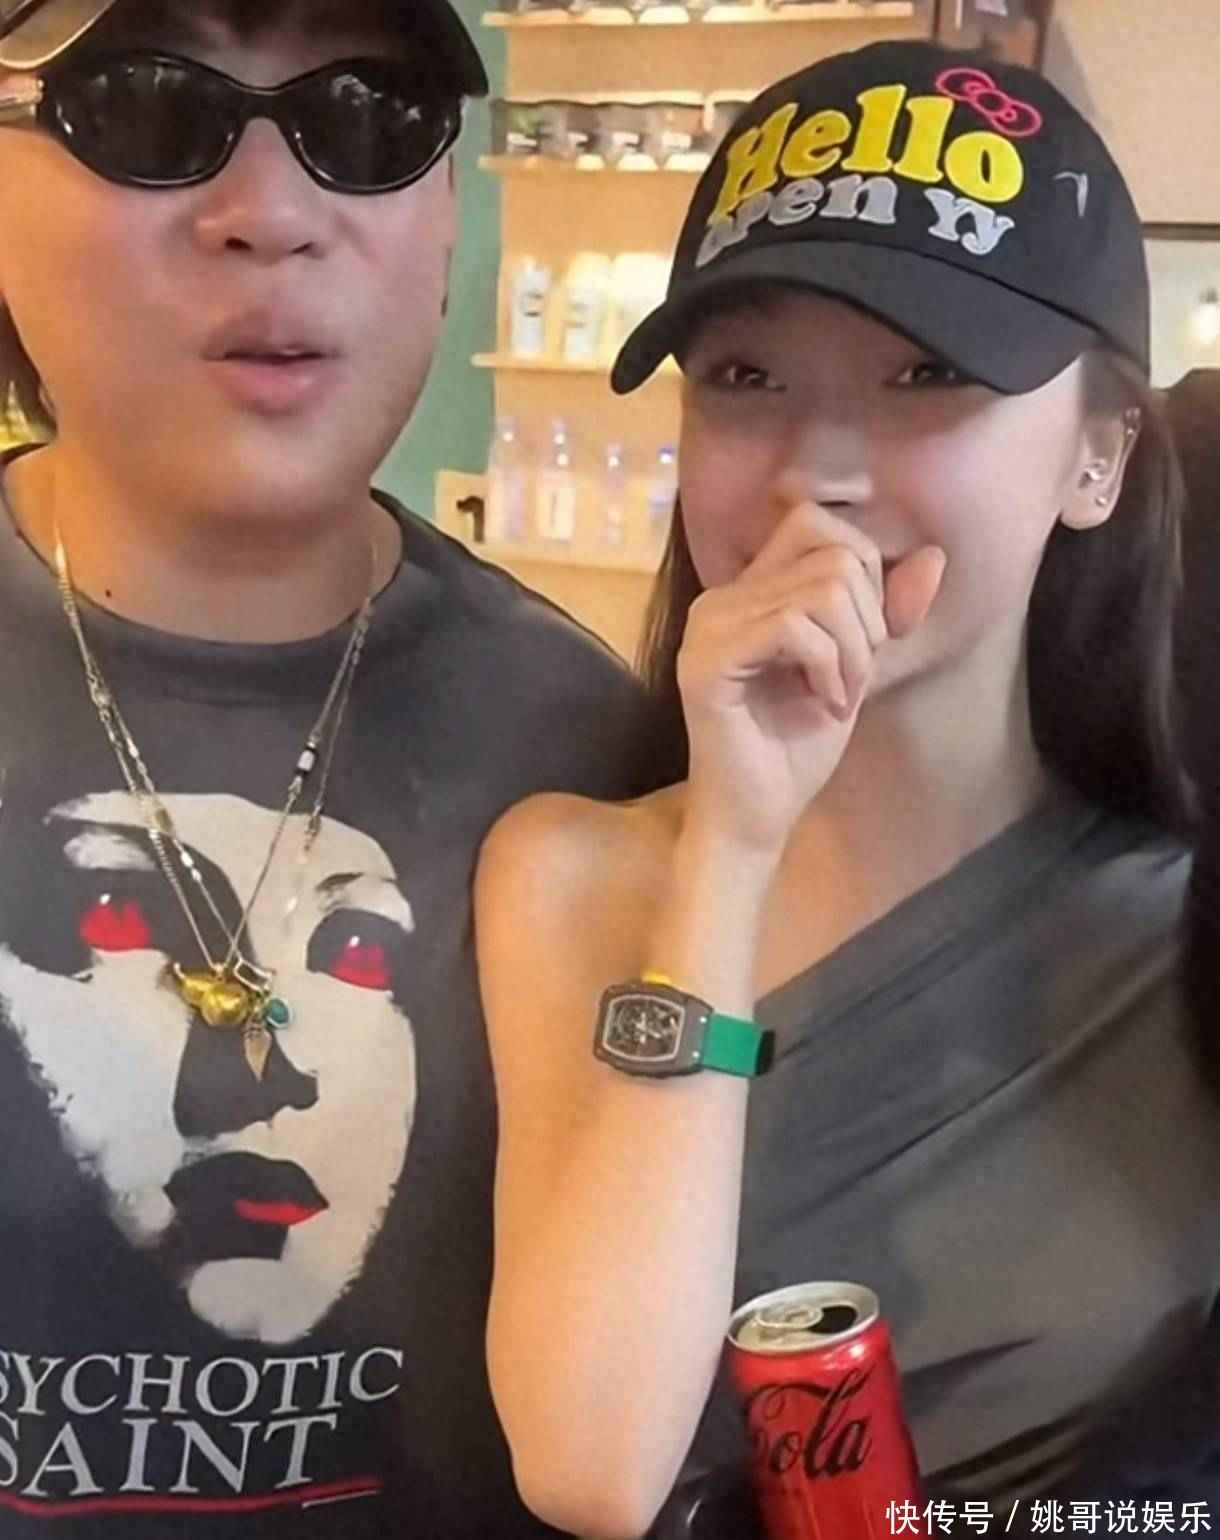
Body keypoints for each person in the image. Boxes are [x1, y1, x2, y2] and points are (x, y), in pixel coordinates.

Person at [477, 39, 1220, 1540]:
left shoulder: (1179, 932)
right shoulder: (572, 874)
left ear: (1098, 457)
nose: (814, 471)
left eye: (925, 374)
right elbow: (592, 1464)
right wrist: (731, 845)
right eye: (745, 378)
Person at [0, 0, 652, 1533]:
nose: (273, 213)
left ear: (449, 211)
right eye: (147, 106)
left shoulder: (594, 758)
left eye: (367, 116)